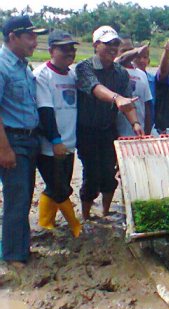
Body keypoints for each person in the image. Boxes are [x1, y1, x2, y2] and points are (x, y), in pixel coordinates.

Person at [75, 26, 144, 220]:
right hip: (86, 130)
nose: (113, 48)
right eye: (108, 44)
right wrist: (116, 98)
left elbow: (128, 101)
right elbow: (96, 88)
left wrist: (136, 124)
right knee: (91, 175)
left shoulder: (121, 72)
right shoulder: (84, 67)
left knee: (108, 174)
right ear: (96, 45)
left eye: (116, 44)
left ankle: (105, 213)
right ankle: (86, 216)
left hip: (108, 129)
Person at [0, 15, 47, 266]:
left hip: (29, 139)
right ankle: (13, 256)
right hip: (12, 140)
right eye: (29, 36)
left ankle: (20, 248)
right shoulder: (2, 65)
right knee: (16, 198)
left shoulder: (23, 66)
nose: (35, 41)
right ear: (13, 37)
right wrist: (4, 149)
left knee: (24, 196)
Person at [33, 30, 82, 237]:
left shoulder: (72, 75)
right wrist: (55, 139)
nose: (69, 53)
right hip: (51, 144)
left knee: (58, 185)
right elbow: (45, 110)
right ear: (51, 50)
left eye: (72, 49)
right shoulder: (42, 75)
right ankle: (75, 225)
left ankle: (46, 222)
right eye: (64, 49)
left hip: (70, 141)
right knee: (60, 188)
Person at [114, 38, 153, 136]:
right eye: (124, 50)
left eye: (131, 50)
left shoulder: (141, 74)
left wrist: (147, 133)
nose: (129, 53)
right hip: (117, 133)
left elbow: (147, 105)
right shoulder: (112, 71)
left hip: (139, 132)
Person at [132, 43, 156, 132]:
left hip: (149, 126)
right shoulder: (126, 76)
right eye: (138, 57)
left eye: (145, 57)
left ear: (149, 60)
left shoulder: (153, 80)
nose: (141, 60)